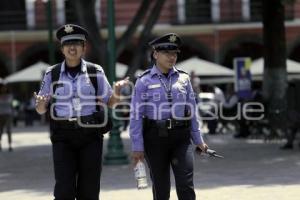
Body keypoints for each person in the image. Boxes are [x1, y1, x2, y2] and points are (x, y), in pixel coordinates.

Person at [35, 24, 129, 200]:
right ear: (62, 48)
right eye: (68, 44)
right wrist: (40, 104)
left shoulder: (95, 71)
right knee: (64, 189)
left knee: (89, 189)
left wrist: (116, 91)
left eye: (77, 43)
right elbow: (41, 109)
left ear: (84, 47)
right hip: (62, 135)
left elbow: (111, 103)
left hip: (90, 135)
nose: (72, 48)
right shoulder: (52, 73)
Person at [129, 33, 208, 200]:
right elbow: (136, 115)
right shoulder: (143, 81)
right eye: (166, 53)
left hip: (181, 138)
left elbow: (192, 112)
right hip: (155, 139)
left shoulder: (184, 78)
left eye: (174, 53)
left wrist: (199, 140)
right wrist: (137, 147)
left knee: (186, 185)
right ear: (155, 54)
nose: (171, 57)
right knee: (161, 187)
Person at [0, 83, 13, 152]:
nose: (4, 89)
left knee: (9, 130)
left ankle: (10, 145)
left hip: (8, 114)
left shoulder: (10, 95)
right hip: (0, 115)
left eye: (5, 87)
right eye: (2, 88)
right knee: (0, 131)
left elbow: (11, 104)